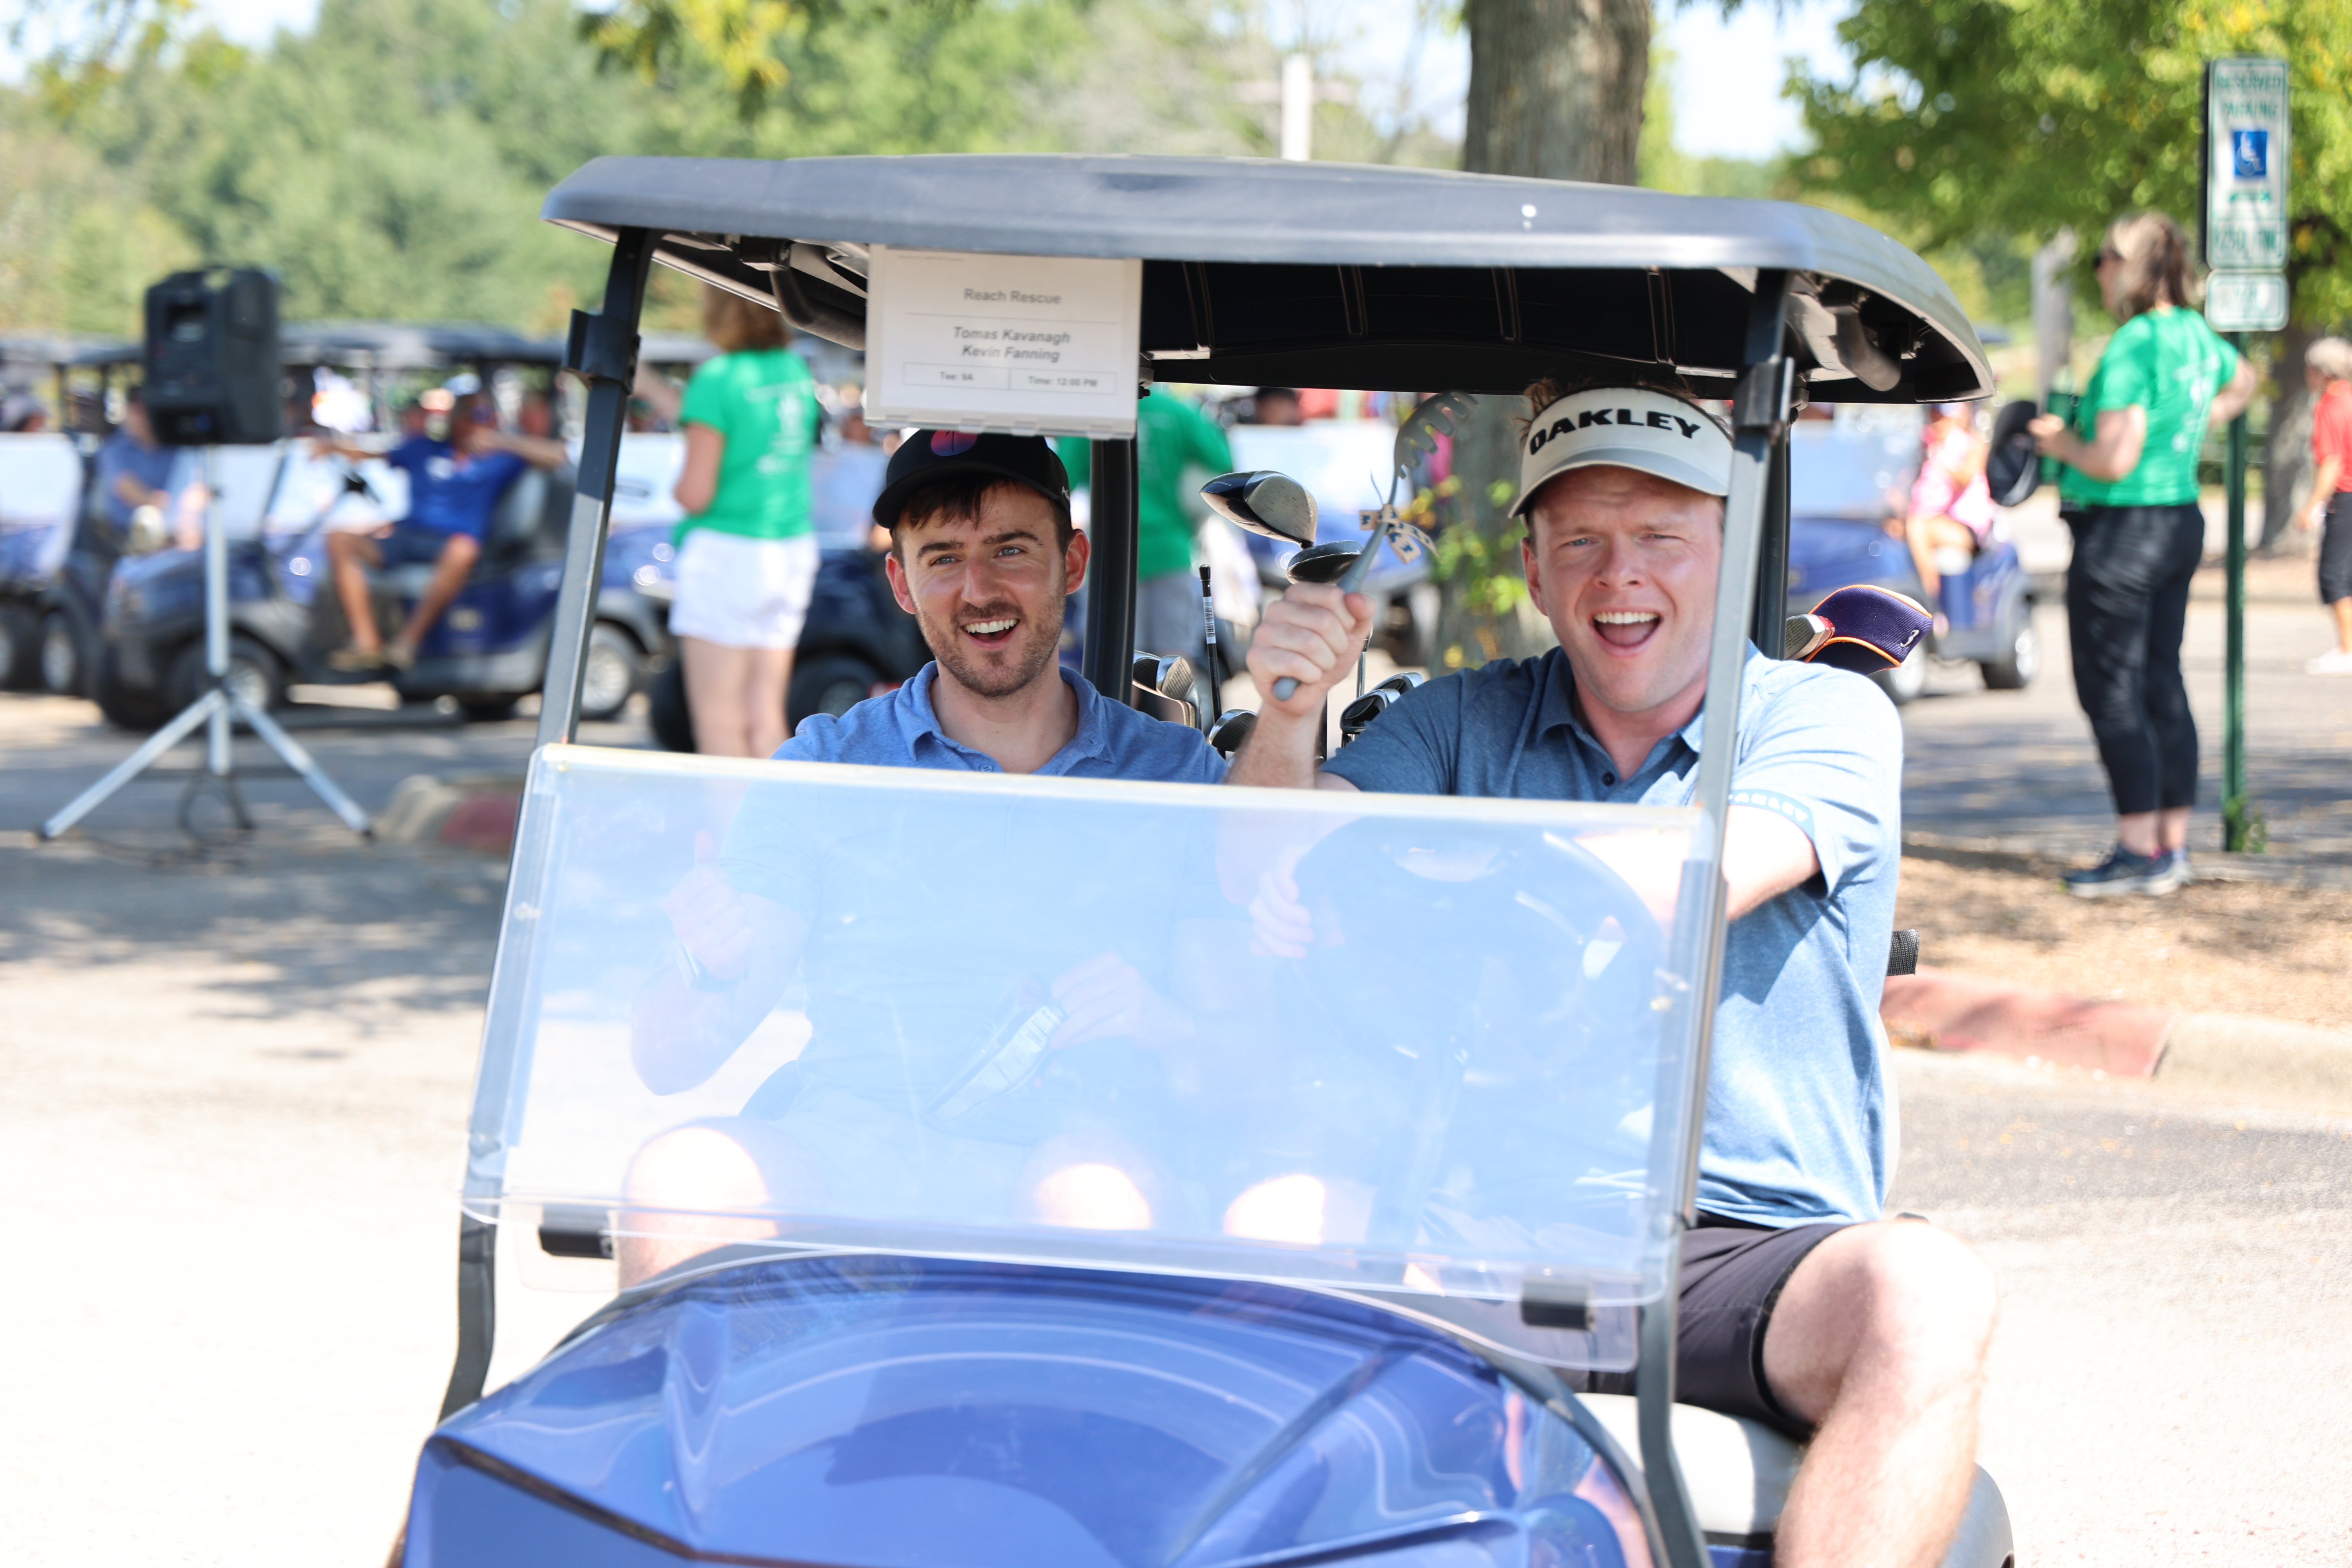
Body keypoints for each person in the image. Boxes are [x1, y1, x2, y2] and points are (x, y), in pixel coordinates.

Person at [1230, 377, 1998, 1568]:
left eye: (1658, 536)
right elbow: (1260, 874)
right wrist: (1285, 718)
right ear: (1533, 572)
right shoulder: (1460, 720)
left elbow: (1683, 880)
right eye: (1579, 540)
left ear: (1727, 551)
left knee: (1927, 1295)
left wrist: (1430, 868)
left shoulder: (1819, 718)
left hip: (1732, 1243)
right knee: (1259, 1225)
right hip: (1480, 1215)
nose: (1617, 574)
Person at [619, 431, 1228, 1285]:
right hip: (856, 1138)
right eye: (942, 558)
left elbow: (1247, 1068)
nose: (978, 589)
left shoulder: (1174, 773)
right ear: (902, 583)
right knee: (679, 1185)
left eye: (1010, 550)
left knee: (1086, 1200)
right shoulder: (830, 766)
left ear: (1072, 562)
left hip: (1089, 1136)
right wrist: (708, 970)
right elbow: (669, 1063)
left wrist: (1164, 1023)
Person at [2030, 212, 2258, 896]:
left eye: (2102, 259)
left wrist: (2057, 442)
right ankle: (2170, 847)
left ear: (2126, 265)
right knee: (2162, 681)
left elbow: (2113, 458)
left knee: (2112, 689)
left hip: (2123, 531)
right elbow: (2244, 381)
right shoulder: (2192, 332)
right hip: (2178, 522)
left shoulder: (2134, 343)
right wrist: (2187, 426)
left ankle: (2137, 851)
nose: (2098, 272)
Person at [664, 286, 823, 756]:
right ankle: (772, 809)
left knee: (719, 724)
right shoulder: (793, 370)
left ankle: (727, 812)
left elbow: (695, 493)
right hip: (789, 548)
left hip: (727, 554)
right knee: (766, 719)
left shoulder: (717, 376)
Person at [320, 392, 567, 670]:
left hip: (452, 544)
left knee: (464, 549)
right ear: (455, 420)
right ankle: (367, 642)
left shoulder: (500, 459)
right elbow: (370, 453)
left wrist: (501, 441)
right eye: (472, 416)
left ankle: (407, 644)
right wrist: (332, 446)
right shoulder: (423, 449)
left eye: (485, 416)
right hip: (409, 536)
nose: (479, 423)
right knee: (340, 539)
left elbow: (558, 457)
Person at [1057, 386, 1234, 669]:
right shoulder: (1178, 411)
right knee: (1175, 662)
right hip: (1170, 548)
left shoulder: (1095, 413)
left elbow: (1061, 479)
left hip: (1110, 556)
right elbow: (1223, 462)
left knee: (1117, 664)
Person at [1904, 402, 1997, 617]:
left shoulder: (1971, 444)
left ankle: (1929, 606)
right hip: (1935, 520)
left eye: (1942, 416)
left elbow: (1964, 479)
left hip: (1966, 527)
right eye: (1934, 415)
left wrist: (1939, 455)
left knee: (1917, 528)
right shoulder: (1925, 444)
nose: (1937, 421)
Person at [2295, 336, 2352, 675]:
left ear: (2324, 372)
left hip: (2346, 497)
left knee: (2334, 575)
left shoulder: (2330, 406)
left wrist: (2311, 505)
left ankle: (2348, 649)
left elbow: (2331, 463)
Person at [92, 385, 203, 547]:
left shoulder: (177, 447)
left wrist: (187, 515)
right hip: (126, 536)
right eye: (135, 411)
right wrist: (164, 506)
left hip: (178, 532)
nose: (139, 417)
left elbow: (196, 484)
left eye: (143, 411)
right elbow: (126, 487)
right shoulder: (114, 449)